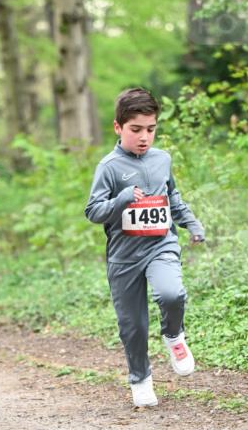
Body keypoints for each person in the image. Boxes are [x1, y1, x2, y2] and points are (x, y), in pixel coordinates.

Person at [85, 87, 205, 407]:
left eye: (151, 129)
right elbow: (93, 211)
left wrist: (191, 223)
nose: (144, 137)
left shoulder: (162, 159)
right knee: (133, 325)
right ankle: (140, 378)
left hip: (160, 244)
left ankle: (173, 334)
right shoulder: (109, 167)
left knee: (172, 293)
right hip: (124, 256)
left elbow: (173, 198)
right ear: (118, 127)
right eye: (135, 130)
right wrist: (122, 199)